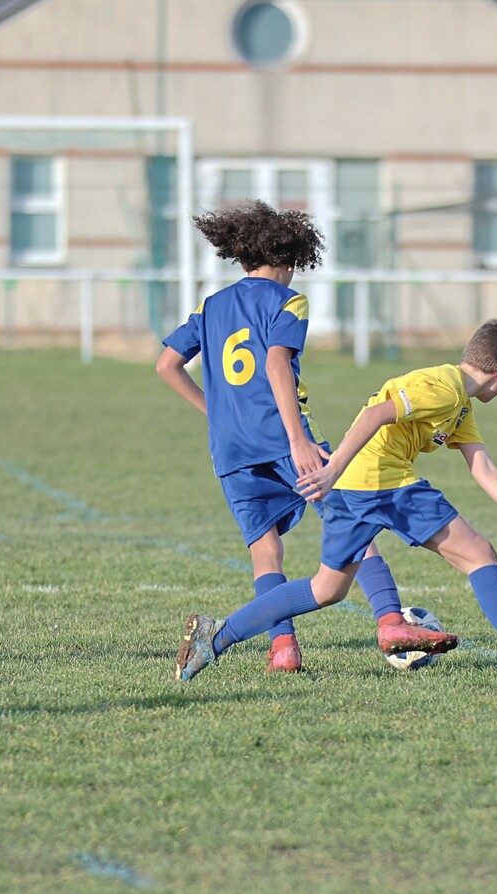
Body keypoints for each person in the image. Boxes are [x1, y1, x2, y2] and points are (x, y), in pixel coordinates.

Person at [174, 319, 497, 691]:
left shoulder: (458, 401)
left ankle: (216, 637)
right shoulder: (442, 390)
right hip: (382, 482)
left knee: (327, 589)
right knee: (479, 554)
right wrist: (332, 469)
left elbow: (481, 464)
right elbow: (374, 415)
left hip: (355, 487)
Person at [156, 200, 454, 672]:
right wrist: (297, 440)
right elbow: (276, 363)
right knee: (352, 517)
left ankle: (284, 649)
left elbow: (166, 365)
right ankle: (390, 620)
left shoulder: (211, 305)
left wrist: (216, 413)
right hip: (282, 435)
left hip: (230, 447)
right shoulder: (288, 300)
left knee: (265, 550)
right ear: (291, 259)